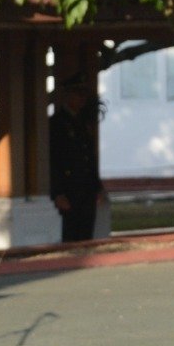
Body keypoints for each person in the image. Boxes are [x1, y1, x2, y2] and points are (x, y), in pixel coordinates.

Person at [49, 78, 105, 243]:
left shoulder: (82, 123)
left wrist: (97, 187)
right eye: (77, 94)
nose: (81, 99)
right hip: (69, 190)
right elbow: (53, 160)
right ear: (67, 95)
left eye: (83, 94)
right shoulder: (57, 124)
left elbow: (89, 158)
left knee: (86, 234)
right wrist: (57, 193)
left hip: (86, 190)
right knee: (70, 235)